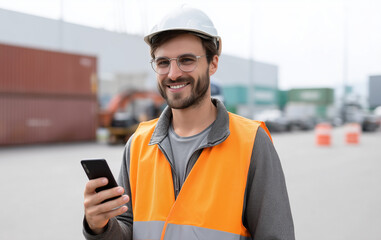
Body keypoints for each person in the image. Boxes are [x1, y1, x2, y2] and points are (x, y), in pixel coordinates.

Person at [83, 6, 295, 240]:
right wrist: (99, 226)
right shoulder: (138, 144)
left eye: (186, 60)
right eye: (163, 62)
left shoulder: (251, 142)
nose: (173, 73)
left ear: (213, 64)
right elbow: (126, 226)